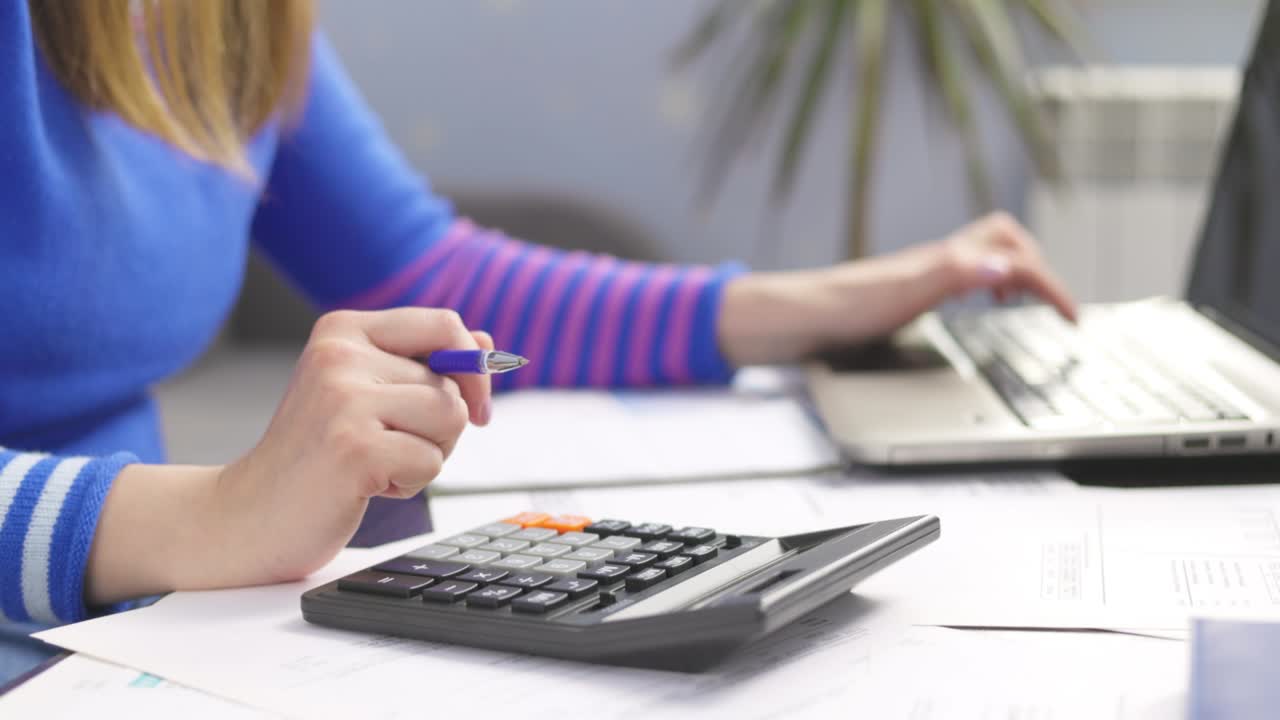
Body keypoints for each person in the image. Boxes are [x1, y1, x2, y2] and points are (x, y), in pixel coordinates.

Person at [0, 1, 1076, 680]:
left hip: (143, 629)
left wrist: (812, 307)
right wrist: (213, 515)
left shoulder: (231, 19)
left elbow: (428, 280)